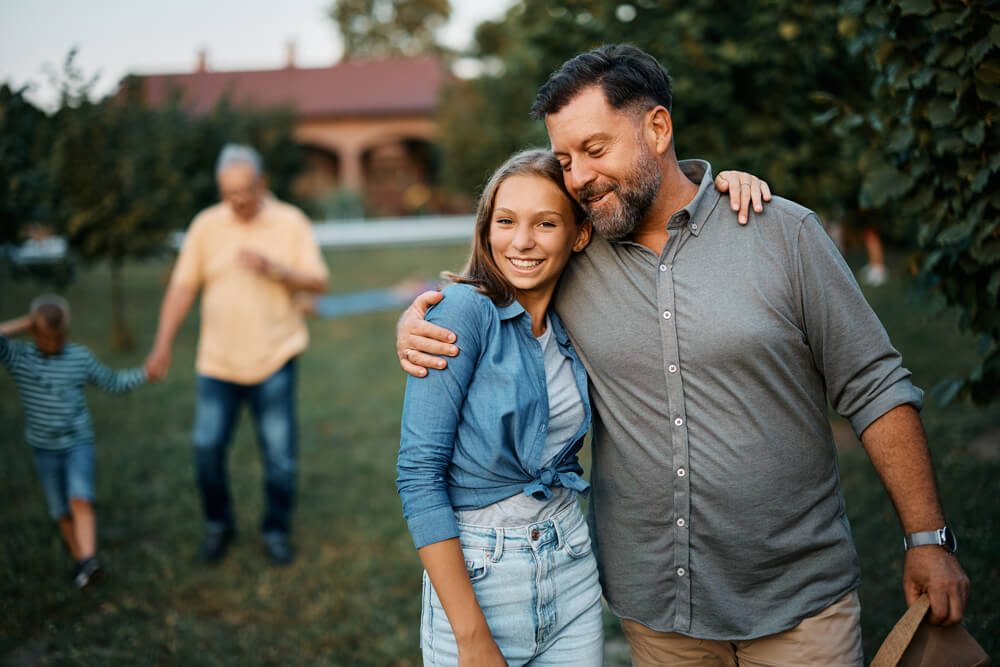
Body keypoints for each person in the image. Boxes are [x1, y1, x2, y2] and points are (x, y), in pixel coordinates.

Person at [396, 45, 969, 665]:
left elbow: (875, 385)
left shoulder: (779, 231)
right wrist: (417, 319)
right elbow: (504, 277)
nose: (580, 177)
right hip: (659, 615)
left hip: (798, 602)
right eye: (565, 159)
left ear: (658, 128)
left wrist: (928, 539)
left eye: (595, 149)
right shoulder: (577, 252)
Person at [397, 149, 601, 666]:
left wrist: (722, 180)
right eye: (505, 221)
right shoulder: (464, 311)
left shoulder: (579, 315)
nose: (522, 241)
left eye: (546, 223)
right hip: (482, 577)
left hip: (572, 565)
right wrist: (471, 637)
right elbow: (419, 475)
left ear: (579, 234)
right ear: (486, 229)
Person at [145, 144, 329, 566]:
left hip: (275, 358)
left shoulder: (290, 222)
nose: (237, 200)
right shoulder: (206, 226)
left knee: (280, 457)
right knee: (207, 450)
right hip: (218, 362)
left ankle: (276, 530)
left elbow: (319, 282)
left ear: (262, 183)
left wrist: (275, 269)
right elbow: (182, 287)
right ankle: (218, 526)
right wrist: (162, 344)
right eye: (228, 192)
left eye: (244, 190)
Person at [1, 295, 148, 588]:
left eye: (60, 337)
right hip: (44, 449)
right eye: (46, 337)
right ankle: (83, 564)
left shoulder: (79, 357)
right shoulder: (20, 358)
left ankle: (89, 559)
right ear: (33, 331)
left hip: (77, 443)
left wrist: (144, 373)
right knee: (61, 510)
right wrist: (27, 323)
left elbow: (113, 381)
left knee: (80, 498)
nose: (54, 344)